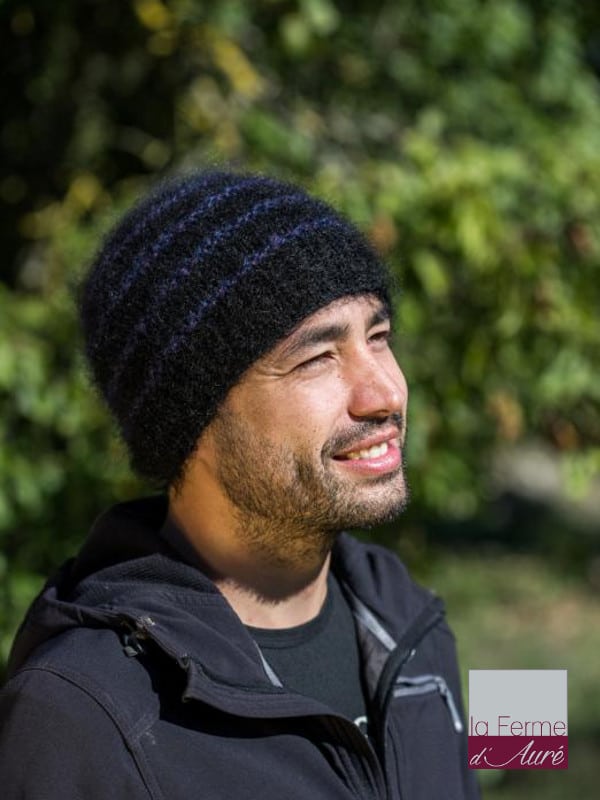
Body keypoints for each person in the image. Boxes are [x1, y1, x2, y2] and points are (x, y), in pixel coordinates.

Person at [0, 171, 479, 799]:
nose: (386, 394)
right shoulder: (82, 714)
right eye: (317, 358)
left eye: (378, 337)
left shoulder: (408, 617)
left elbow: (517, 772)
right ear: (192, 420)